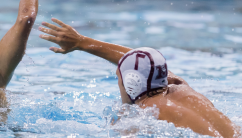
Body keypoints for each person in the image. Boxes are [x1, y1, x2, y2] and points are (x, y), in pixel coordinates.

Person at [38, 18, 240, 137]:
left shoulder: (142, 117)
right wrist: (82, 42)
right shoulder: (181, 87)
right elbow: (146, 62)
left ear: (131, 83)